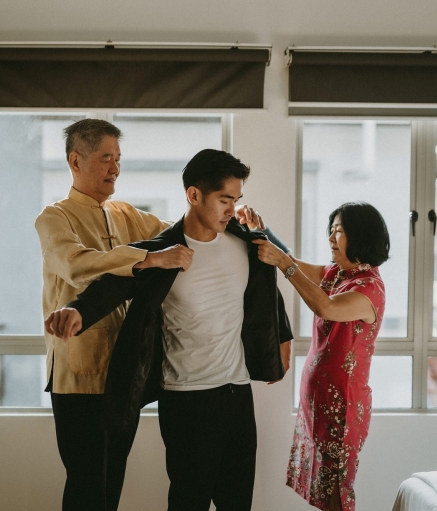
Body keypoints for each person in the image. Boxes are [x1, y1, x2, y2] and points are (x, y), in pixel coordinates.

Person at [35, 120, 269, 511]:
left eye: (119, 158)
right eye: (106, 158)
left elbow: (185, 231)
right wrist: (148, 258)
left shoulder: (125, 213)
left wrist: (231, 213)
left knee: (111, 485)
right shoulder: (54, 217)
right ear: (76, 160)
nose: (115, 167)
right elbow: (76, 264)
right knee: (87, 484)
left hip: (124, 373)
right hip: (78, 374)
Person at [252, 201, 389, 511]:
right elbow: (297, 265)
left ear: (360, 237)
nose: (330, 238)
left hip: (343, 406)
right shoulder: (337, 274)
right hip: (320, 404)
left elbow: (325, 307)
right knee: (321, 491)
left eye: (338, 232)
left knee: (336, 494)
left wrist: (283, 264)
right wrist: (263, 233)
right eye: (330, 231)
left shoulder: (369, 289)